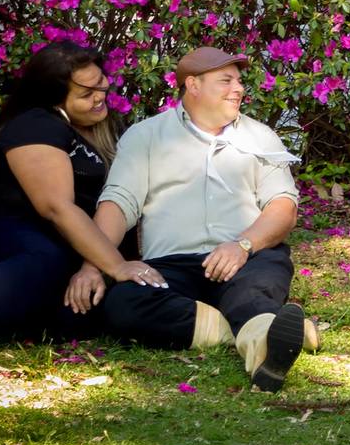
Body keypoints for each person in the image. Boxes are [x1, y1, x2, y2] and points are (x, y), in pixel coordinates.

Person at [0, 41, 163, 361]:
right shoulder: (36, 124)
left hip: (52, 255)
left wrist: (93, 268)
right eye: (86, 93)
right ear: (53, 99)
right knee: (47, 258)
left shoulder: (106, 129)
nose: (99, 96)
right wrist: (116, 265)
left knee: (78, 316)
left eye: (102, 84)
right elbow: (56, 208)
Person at [82, 47, 311, 392]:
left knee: (252, 292)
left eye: (239, 81)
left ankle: (265, 350)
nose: (239, 88)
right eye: (226, 80)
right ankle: (255, 331)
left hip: (247, 257)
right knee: (124, 303)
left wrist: (242, 245)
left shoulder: (260, 136)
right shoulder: (146, 136)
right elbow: (118, 204)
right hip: (171, 266)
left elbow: (283, 206)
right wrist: (92, 265)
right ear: (193, 85)